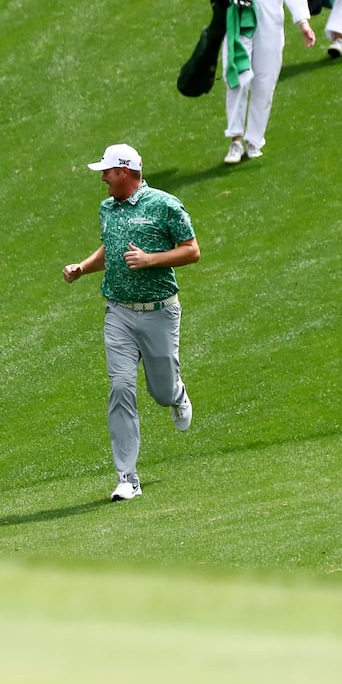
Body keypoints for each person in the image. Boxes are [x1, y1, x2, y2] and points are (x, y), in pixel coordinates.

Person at [62, 144, 199, 502]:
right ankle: (127, 476)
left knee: (160, 391)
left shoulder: (165, 204)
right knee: (121, 388)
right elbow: (110, 248)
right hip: (118, 313)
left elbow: (191, 250)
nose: (102, 178)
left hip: (159, 312)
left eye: (106, 171)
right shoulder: (107, 208)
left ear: (124, 172)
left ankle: (176, 394)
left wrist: (150, 259)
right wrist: (83, 267)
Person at [202, 0, 316, 164]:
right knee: (239, 76)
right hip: (240, 17)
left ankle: (254, 140)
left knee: (265, 81)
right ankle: (235, 140)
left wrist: (304, 23)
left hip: (271, 21)